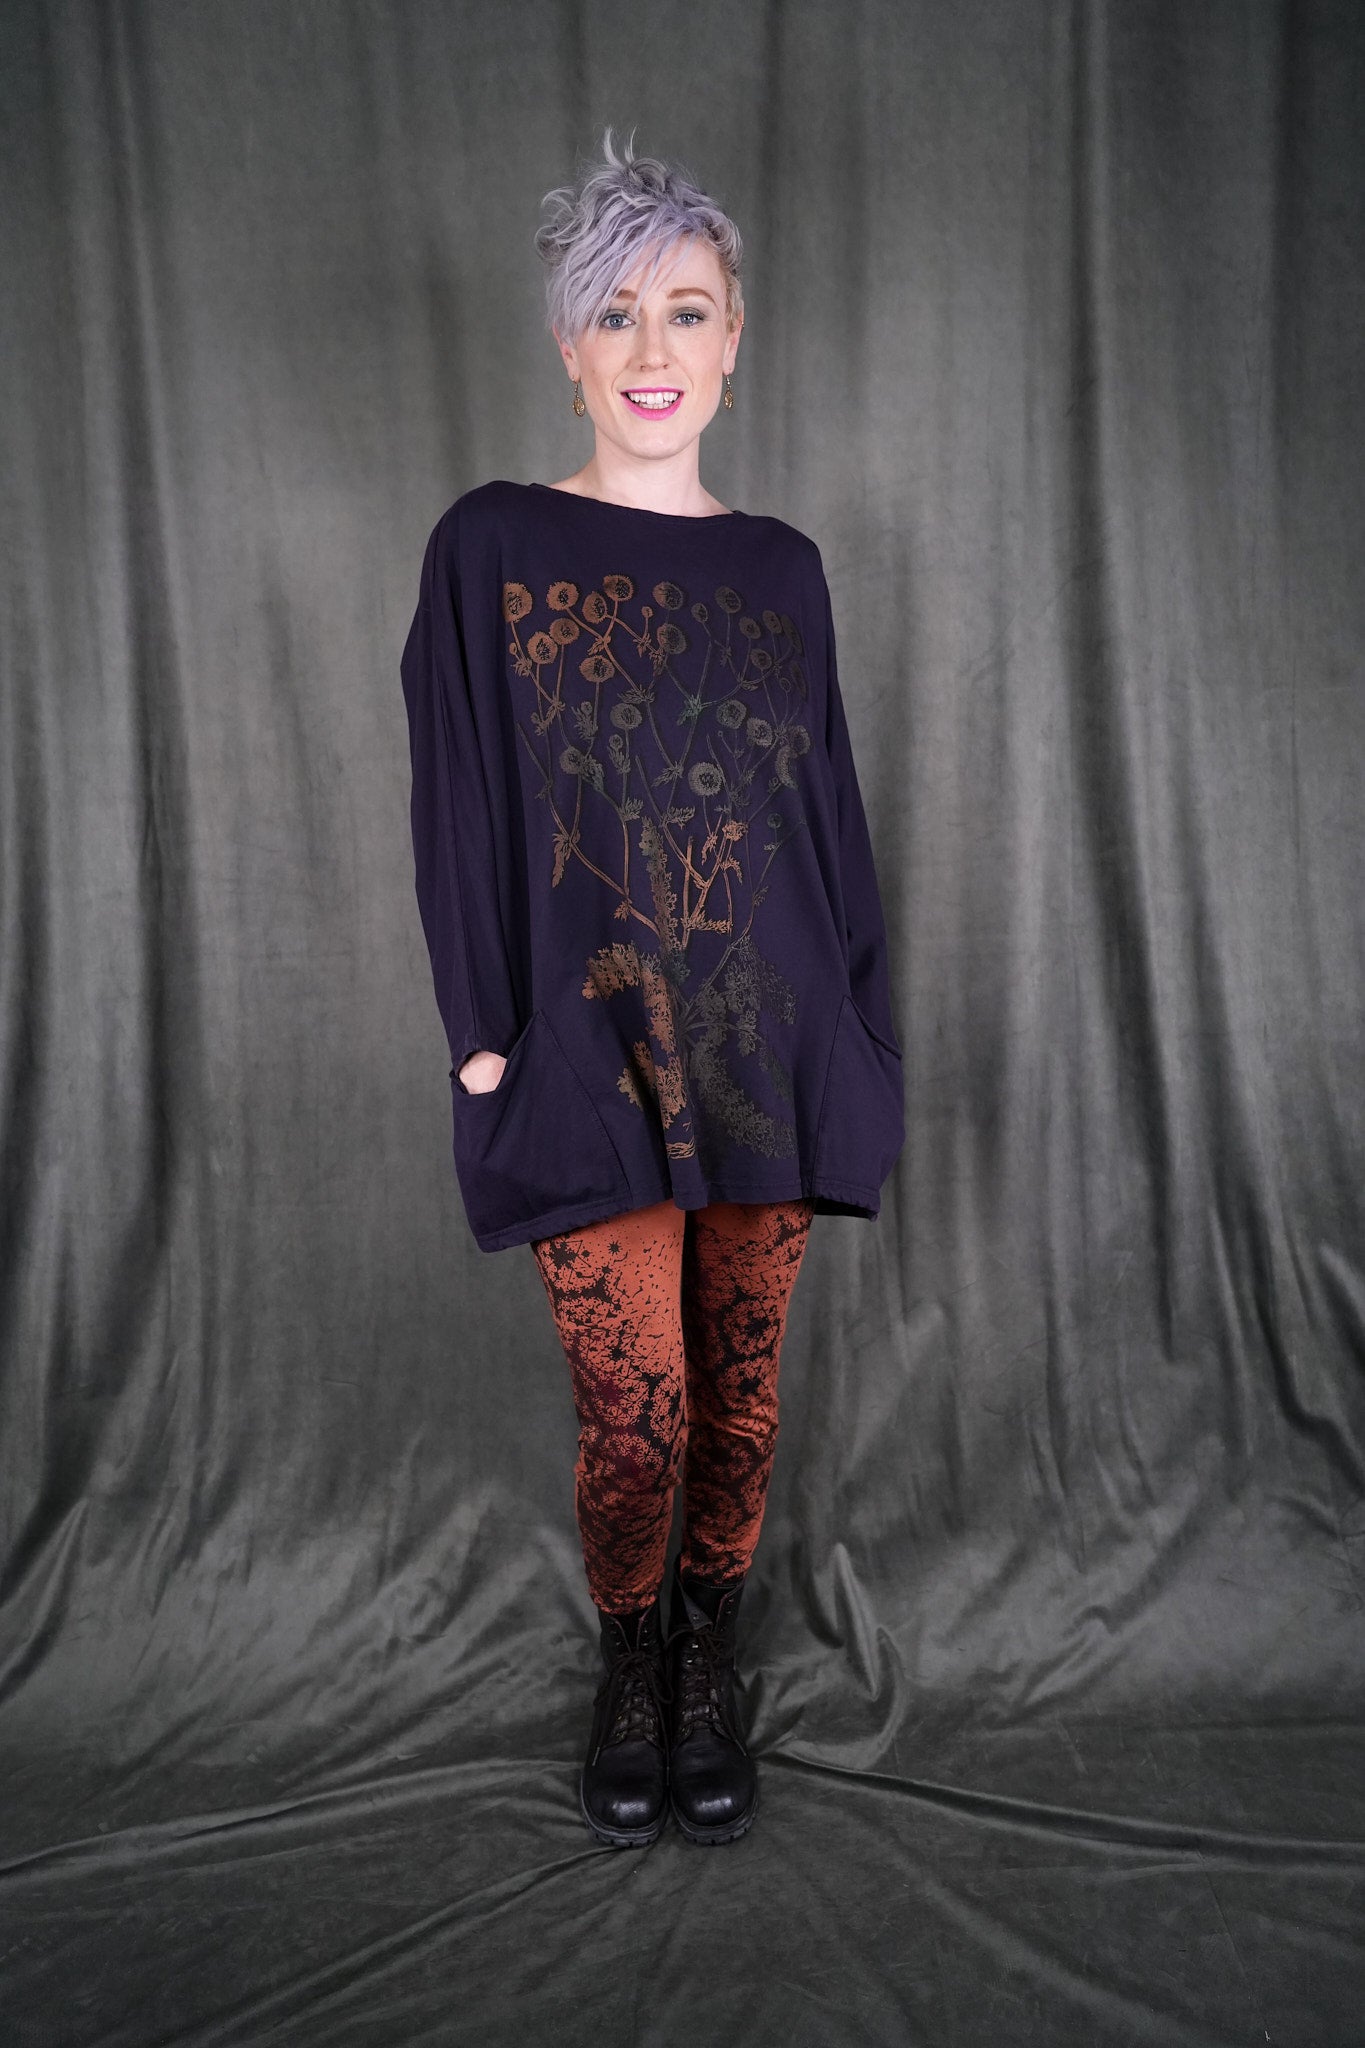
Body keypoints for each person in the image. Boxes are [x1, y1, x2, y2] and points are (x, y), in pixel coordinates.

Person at [399, 127, 904, 1849]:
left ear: (733, 338)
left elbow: (824, 815)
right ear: (567, 347)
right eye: (612, 314)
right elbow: (457, 794)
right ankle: (630, 1659)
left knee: (739, 1404)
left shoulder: (782, 569)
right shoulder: (491, 544)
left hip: (775, 1041)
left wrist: (859, 1027)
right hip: (582, 1040)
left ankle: (705, 1660)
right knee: (637, 1415)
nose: (650, 349)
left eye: (684, 310)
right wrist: (483, 1036)